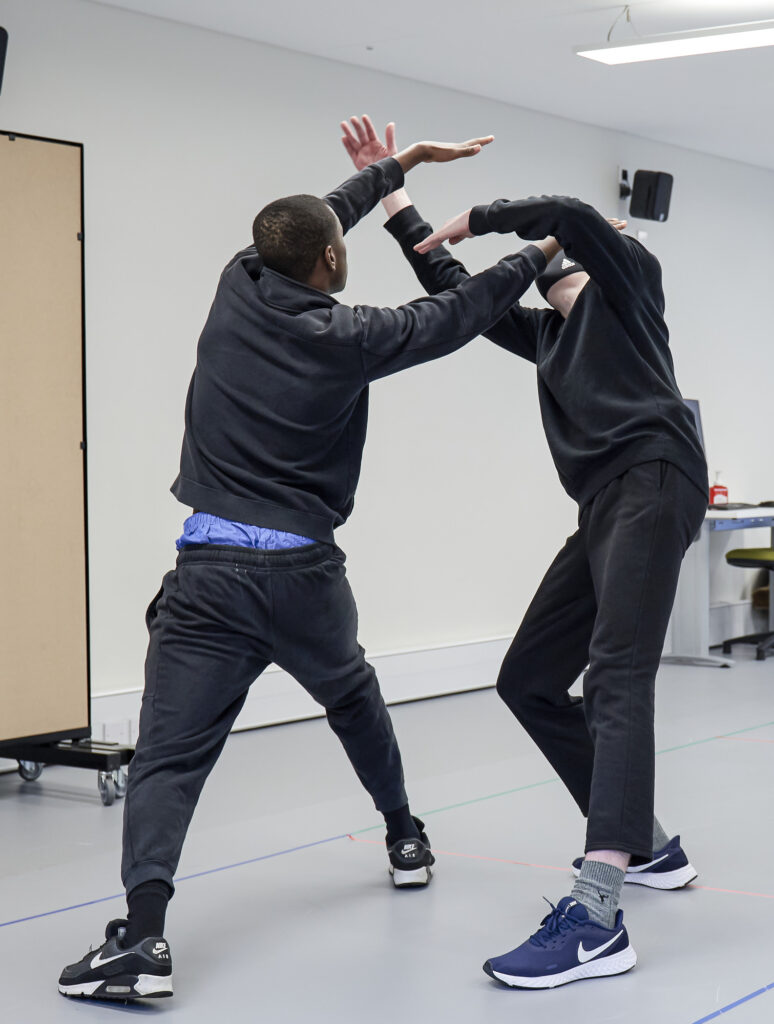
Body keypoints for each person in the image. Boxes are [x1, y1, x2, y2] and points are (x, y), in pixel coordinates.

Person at [58, 124, 558, 1002]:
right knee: (354, 697)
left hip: (209, 576)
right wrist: (542, 252)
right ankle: (405, 836)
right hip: (304, 579)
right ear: (330, 261)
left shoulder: (237, 282)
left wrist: (394, 171)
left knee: (171, 757)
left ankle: (143, 942)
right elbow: (455, 316)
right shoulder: (349, 334)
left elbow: (320, 213)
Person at [342, 116, 708, 990]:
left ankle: (597, 912)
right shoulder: (547, 339)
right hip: (606, 504)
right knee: (529, 679)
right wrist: (394, 191)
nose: (549, 250)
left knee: (617, 675)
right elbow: (450, 283)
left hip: (656, 476)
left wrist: (486, 214)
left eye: (564, 243)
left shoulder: (631, 292)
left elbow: (571, 214)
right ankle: (649, 843)